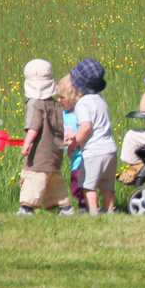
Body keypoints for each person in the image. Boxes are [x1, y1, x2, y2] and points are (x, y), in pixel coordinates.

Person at [18, 59, 75, 215]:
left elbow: (34, 127)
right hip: (55, 151)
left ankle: (26, 208)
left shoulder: (34, 104)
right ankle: (66, 207)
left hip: (40, 152)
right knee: (53, 178)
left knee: (33, 177)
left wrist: (27, 143)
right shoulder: (55, 104)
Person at [64, 58, 118, 214]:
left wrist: (73, 144)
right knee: (107, 185)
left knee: (88, 185)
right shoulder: (100, 100)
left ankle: (93, 213)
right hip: (110, 149)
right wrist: (75, 134)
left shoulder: (82, 103)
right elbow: (96, 125)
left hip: (94, 152)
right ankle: (110, 210)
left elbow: (86, 127)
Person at [58, 74, 86, 206]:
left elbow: (85, 130)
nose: (59, 100)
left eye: (63, 97)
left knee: (82, 183)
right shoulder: (63, 115)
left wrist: (75, 137)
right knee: (74, 183)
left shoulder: (80, 114)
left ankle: (85, 206)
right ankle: (83, 205)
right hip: (73, 158)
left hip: (83, 156)